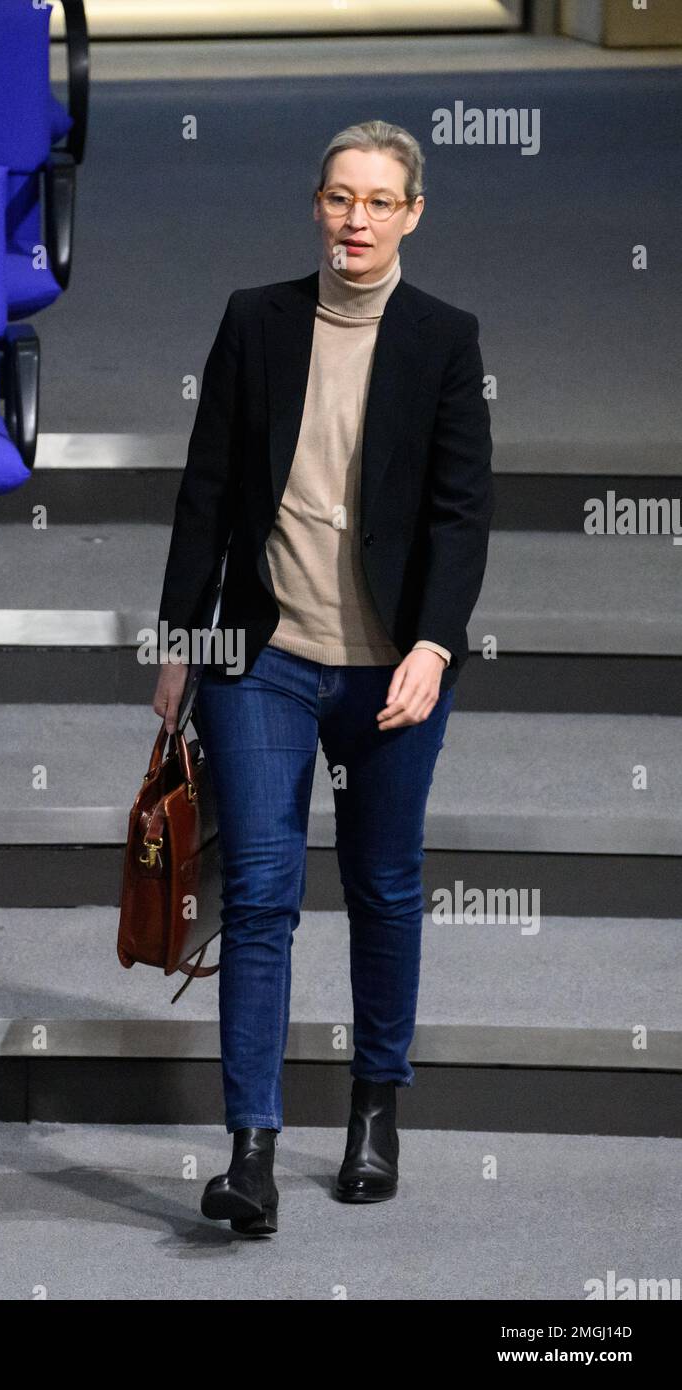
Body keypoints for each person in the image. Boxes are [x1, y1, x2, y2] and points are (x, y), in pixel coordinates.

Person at [153, 119, 494, 1236]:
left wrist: (435, 646)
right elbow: (204, 491)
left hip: (391, 667)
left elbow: (458, 513)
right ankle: (248, 1150)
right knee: (259, 892)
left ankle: (372, 1112)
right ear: (316, 205)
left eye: (378, 201)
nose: (356, 219)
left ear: (410, 215)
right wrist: (178, 643)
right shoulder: (254, 321)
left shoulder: (443, 338)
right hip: (263, 655)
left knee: (383, 884)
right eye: (339, 197)